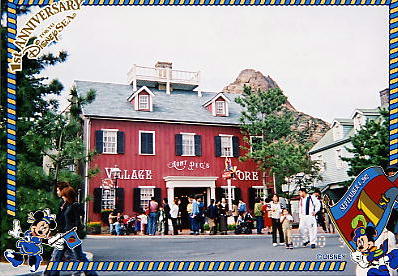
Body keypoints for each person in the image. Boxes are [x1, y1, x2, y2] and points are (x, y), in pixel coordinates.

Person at [49, 186, 98, 276]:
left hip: (71, 234)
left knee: (78, 255)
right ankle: (52, 274)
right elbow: (61, 219)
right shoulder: (65, 205)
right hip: (64, 234)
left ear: (68, 195)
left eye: (64, 195)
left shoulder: (74, 205)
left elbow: (78, 219)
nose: (62, 197)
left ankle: (91, 274)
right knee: (57, 255)